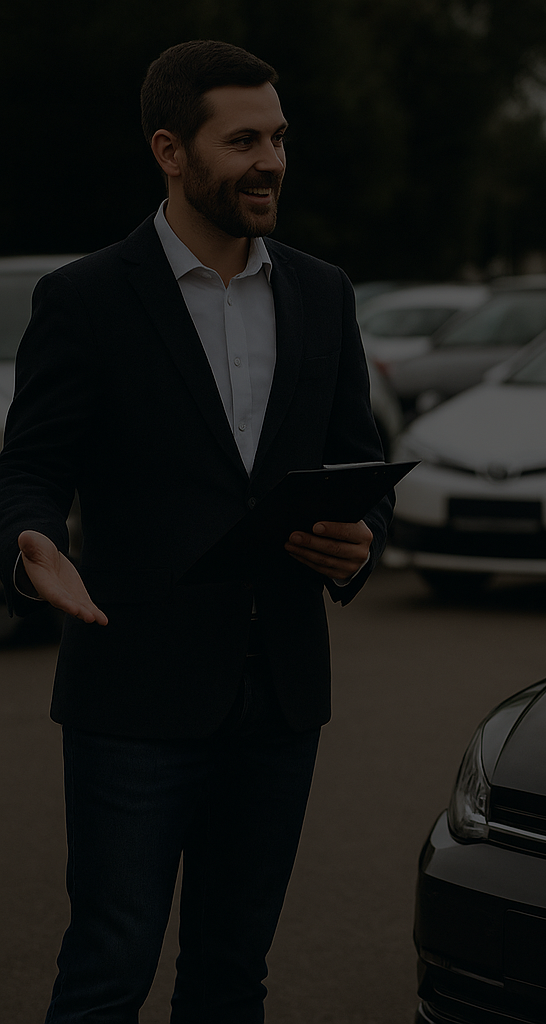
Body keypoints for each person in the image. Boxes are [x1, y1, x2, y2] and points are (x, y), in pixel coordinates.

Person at [0, 40, 392, 1023]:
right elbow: (31, 468)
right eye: (245, 139)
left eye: (279, 137)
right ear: (170, 150)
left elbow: (359, 459)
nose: (272, 161)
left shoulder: (322, 291)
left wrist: (362, 541)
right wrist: (31, 539)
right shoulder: (84, 299)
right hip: (131, 691)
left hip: (280, 695)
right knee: (109, 964)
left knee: (232, 971)